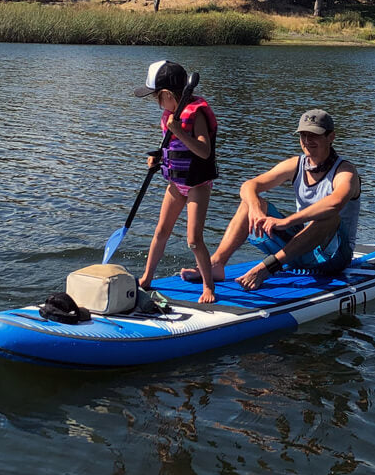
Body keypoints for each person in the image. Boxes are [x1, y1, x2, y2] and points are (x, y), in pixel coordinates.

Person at [182, 109, 360, 291]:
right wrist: (255, 209)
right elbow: (249, 186)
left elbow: (334, 203)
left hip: (334, 257)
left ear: (331, 137)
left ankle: (267, 267)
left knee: (330, 216)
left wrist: (287, 221)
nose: (307, 141)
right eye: (303, 135)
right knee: (249, 202)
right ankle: (216, 265)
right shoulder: (296, 164)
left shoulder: (345, 172)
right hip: (299, 249)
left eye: (314, 135)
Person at [133, 60, 219, 303]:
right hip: (176, 183)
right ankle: (147, 278)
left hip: (197, 184)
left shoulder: (196, 113)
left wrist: (179, 130)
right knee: (161, 231)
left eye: (156, 97)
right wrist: (156, 158)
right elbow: (172, 148)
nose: (156, 103)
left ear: (168, 94)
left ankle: (208, 286)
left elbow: (203, 151)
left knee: (193, 240)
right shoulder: (170, 115)